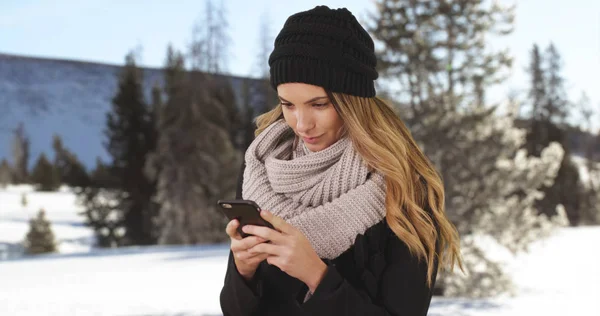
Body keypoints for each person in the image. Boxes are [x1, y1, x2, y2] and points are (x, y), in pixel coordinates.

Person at [219, 5, 462, 316]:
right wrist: (243, 272)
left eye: (319, 104)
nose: (301, 123)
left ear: (353, 102)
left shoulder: (405, 186)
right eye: (287, 104)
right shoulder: (263, 167)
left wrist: (316, 276)